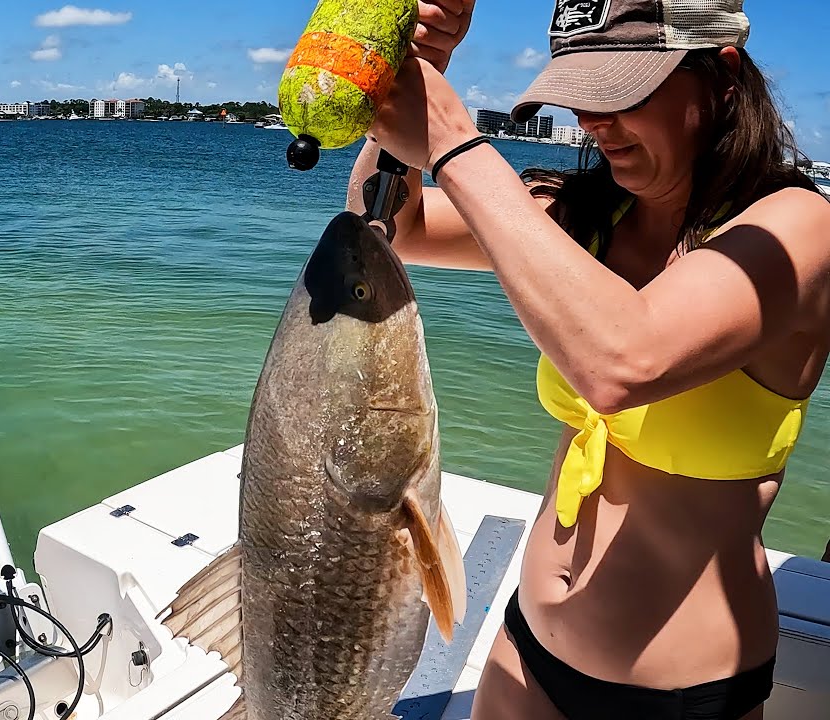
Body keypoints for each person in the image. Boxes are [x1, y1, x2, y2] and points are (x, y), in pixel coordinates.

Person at [351, 1, 830, 719]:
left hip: (682, 692)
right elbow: (392, 232)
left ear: (722, 74)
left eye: (621, 92)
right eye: (581, 95)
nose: (594, 122)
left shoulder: (800, 229)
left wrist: (455, 143)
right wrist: (418, 72)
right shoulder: (585, 217)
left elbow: (620, 363)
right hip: (528, 650)